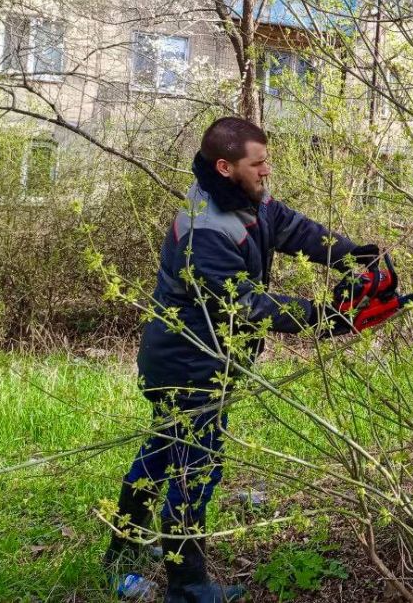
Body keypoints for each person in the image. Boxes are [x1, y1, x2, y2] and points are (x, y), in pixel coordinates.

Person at [103, 116, 380, 603]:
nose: (267, 170)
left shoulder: (247, 200)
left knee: (161, 455)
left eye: (267, 160)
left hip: (203, 357)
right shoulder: (205, 228)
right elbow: (246, 303)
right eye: (259, 163)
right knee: (195, 471)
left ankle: (123, 553)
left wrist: (354, 256)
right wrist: (324, 318)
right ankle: (187, 588)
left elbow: (292, 228)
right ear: (226, 166)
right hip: (188, 363)